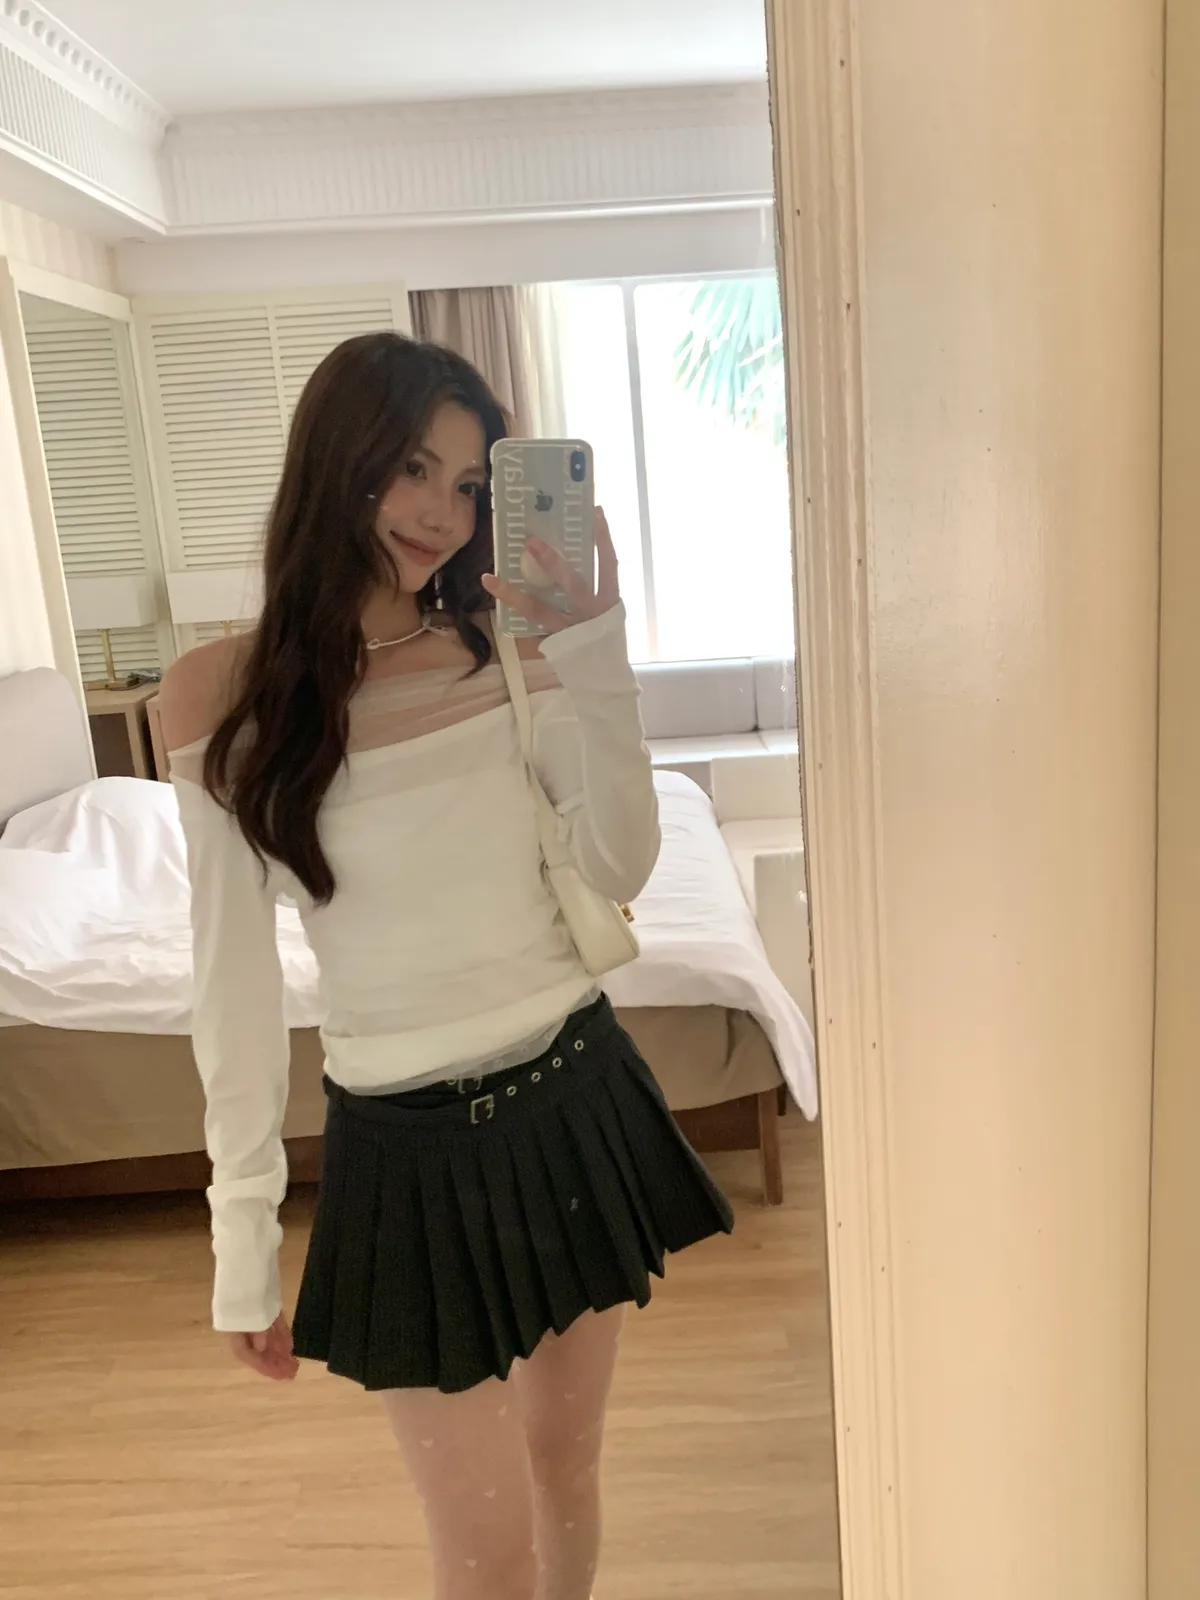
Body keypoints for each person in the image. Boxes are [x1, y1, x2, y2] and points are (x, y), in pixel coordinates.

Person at [158, 331, 733, 1600]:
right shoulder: (217, 697)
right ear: (339, 459)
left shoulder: (508, 648)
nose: (443, 513)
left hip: (571, 1095)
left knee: (565, 1467)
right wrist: (241, 1242)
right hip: (404, 1149)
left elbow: (623, 862)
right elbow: (230, 991)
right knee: (484, 1548)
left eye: (470, 485)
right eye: (413, 468)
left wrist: (597, 650)